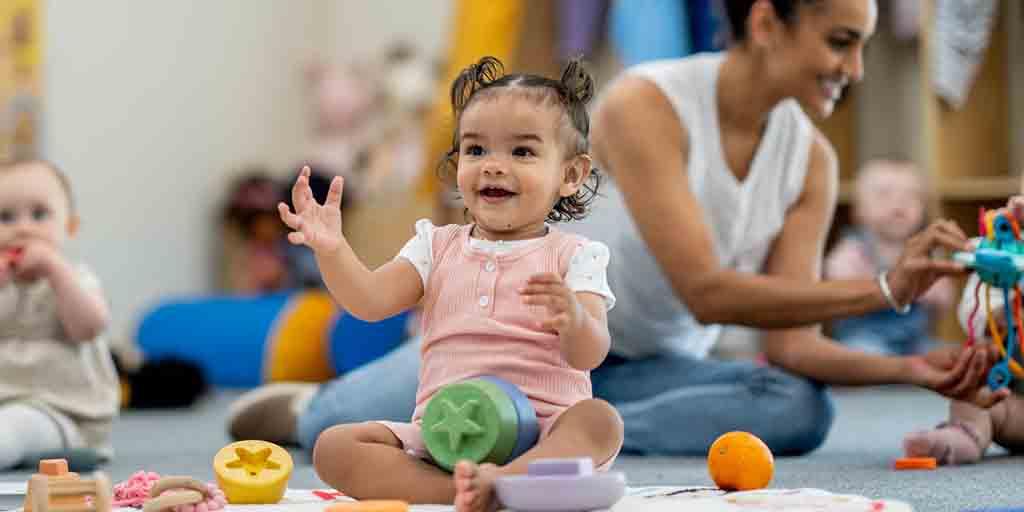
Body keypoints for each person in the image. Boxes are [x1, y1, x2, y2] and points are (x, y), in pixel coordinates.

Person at [229, 0, 1004, 459]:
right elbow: (707, 290)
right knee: (335, 427)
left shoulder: (809, 161)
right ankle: (318, 406)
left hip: (631, 363)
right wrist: (882, 288)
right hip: (507, 344)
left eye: (864, 44)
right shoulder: (648, 103)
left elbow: (793, 342)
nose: (857, 68)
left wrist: (913, 372)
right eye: (841, 41)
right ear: (767, 20)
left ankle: (548, 434)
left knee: (798, 408)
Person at [276, 56, 622, 510]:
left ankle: (508, 480)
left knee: (600, 422)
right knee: (334, 446)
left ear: (571, 175)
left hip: (544, 432)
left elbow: (590, 353)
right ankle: (463, 490)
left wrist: (573, 319)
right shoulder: (434, 246)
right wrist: (332, 249)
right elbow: (370, 301)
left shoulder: (575, 255)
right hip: (444, 438)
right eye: (477, 150)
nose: (493, 166)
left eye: (522, 152)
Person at [0, 159, 118, 470]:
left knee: (14, 428)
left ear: (70, 227)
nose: (23, 228)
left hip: (62, 410)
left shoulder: (75, 278)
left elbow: (88, 328)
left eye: (39, 214)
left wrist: (55, 270)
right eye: (5, 217)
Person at [903, 194, 1024, 465]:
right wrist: (1002, 313)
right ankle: (965, 433)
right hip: (1016, 408)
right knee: (977, 384)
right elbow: (973, 309)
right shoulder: (1005, 251)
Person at [825, 159, 955, 355]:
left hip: (914, 342)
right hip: (863, 336)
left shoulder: (925, 250)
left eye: (911, 196)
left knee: (953, 355)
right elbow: (833, 280)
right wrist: (869, 280)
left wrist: (932, 288)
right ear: (858, 210)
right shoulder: (854, 248)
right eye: (884, 195)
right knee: (861, 354)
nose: (898, 204)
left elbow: (944, 300)